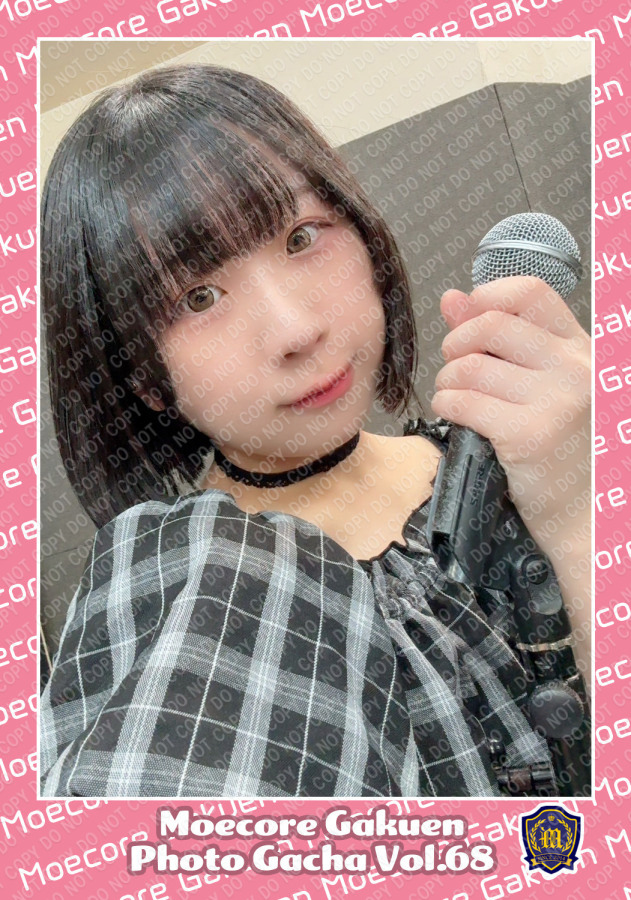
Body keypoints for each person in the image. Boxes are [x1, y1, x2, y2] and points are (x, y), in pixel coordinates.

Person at [39, 62, 591, 798]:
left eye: (301, 238)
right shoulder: (184, 574)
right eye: (198, 297)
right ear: (142, 376)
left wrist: (578, 509)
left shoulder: (501, 462)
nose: (296, 330)